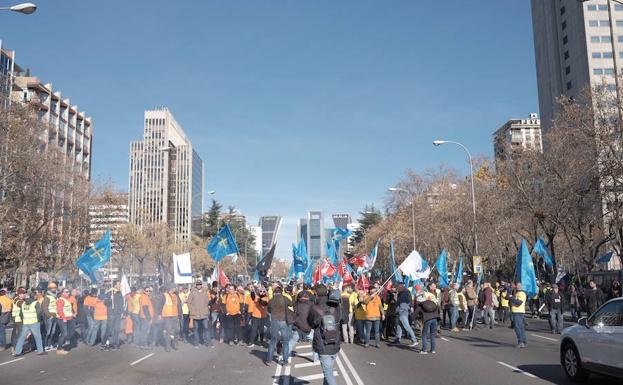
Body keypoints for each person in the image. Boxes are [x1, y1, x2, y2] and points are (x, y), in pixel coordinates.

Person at [307, 284, 341, 385]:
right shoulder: (335, 305)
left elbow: (311, 323)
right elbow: (340, 319)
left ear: (316, 294)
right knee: (328, 372)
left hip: (323, 344)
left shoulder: (315, 308)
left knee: (328, 374)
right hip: (335, 343)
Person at [14, 291, 46, 357]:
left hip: (26, 323)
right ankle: (40, 351)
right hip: (34, 322)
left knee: (22, 338)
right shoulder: (35, 303)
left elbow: (21, 314)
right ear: (34, 296)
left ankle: (17, 352)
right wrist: (38, 320)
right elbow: (39, 312)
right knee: (38, 337)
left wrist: (24, 320)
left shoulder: (23, 304)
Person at [265, 286, 292, 366]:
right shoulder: (284, 298)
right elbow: (291, 304)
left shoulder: (271, 300)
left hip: (274, 321)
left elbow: (269, 310)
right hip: (284, 321)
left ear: (274, 292)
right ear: (281, 292)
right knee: (286, 342)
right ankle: (285, 361)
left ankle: (269, 361)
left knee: (273, 341)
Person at [187, 280, 212, 347]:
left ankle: (208, 342)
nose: (199, 286)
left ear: (201, 285)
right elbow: (188, 302)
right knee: (196, 329)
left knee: (206, 328)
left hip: (204, 314)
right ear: (196, 285)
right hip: (196, 314)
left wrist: (206, 310)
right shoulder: (192, 292)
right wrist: (192, 310)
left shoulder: (205, 292)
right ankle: (196, 343)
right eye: (198, 284)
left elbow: (207, 302)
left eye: (200, 284)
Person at [157, 285, 182, 352]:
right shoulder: (164, 296)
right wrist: (159, 314)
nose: (173, 289)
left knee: (177, 330)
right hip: (167, 316)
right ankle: (168, 346)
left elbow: (179, 305)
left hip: (176, 316)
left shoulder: (176, 295)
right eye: (172, 288)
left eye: (174, 288)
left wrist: (180, 314)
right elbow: (160, 306)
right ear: (169, 288)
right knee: (168, 331)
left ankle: (175, 343)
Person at [417, 283, 440, 354]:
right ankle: (433, 350)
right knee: (432, 335)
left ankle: (424, 350)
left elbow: (419, 307)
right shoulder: (433, 296)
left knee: (424, 334)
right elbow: (438, 306)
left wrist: (413, 317)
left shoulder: (422, 297)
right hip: (435, 317)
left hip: (427, 317)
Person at [105, 281, 124, 351]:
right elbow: (106, 303)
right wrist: (110, 299)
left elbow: (121, 303)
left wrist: (122, 312)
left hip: (118, 314)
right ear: (115, 285)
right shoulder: (110, 292)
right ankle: (106, 344)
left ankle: (115, 345)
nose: (120, 285)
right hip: (111, 314)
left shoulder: (120, 293)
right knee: (110, 330)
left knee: (117, 330)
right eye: (119, 284)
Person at [508, 282, 527, 348]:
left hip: (518, 312)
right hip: (516, 312)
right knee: (520, 327)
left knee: (518, 327)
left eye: (518, 285)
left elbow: (519, 302)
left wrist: (512, 298)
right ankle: (523, 341)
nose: (516, 286)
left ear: (521, 286)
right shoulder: (517, 293)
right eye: (516, 285)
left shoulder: (522, 293)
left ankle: (521, 342)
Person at [41, 282, 59, 350]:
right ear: (50, 289)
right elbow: (45, 308)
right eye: (53, 288)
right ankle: (45, 345)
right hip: (49, 317)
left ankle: (50, 344)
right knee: (48, 332)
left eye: (55, 288)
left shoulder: (55, 296)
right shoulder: (47, 297)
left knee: (53, 332)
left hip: (55, 316)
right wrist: (49, 316)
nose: (54, 289)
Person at [55, 288, 74, 355]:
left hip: (69, 318)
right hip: (63, 319)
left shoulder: (67, 300)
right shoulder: (60, 300)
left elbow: (68, 309)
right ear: (62, 293)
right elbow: (59, 310)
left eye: (68, 292)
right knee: (64, 333)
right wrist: (63, 318)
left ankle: (62, 345)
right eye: (66, 292)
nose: (68, 293)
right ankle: (59, 348)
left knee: (69, 333)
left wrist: (72, 315)